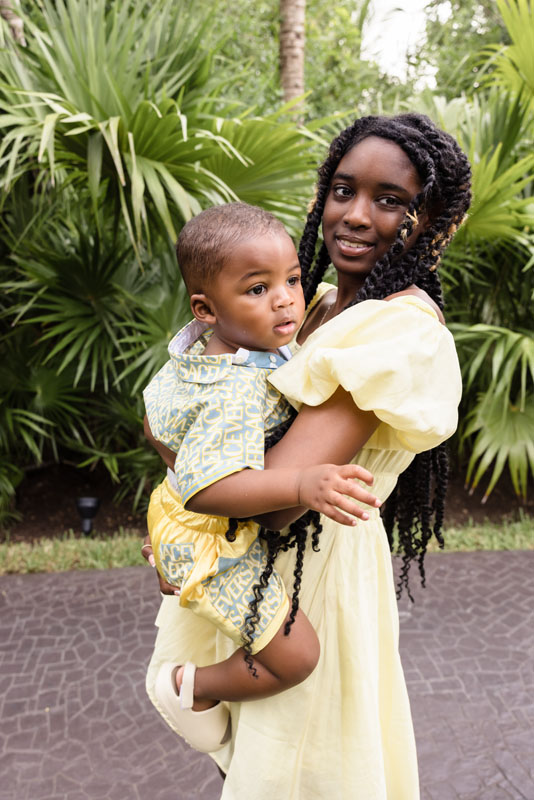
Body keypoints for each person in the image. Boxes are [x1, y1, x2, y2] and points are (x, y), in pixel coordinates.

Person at [143, 113, 471, 799]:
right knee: (257, 761)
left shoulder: (397, 330)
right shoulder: (310, 303)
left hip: (313, 570)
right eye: (343, 190)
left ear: (433, 223)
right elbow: (205, 419)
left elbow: (276, 502)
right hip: (251, 560)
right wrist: (183, 526)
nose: (355, 215)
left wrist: (187, 490)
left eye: (390, 200)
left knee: (297, 771)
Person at [143, 203, 380, 753]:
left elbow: (155, 425)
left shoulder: (227, 347)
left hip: (181, 517)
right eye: (257, 289)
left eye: (292, 279)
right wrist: (299, 484)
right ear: (206, 308)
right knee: (297, 657)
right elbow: (207, 489)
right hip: (210, 537)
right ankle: (187, 686)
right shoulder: (232, 391)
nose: (285, 299)